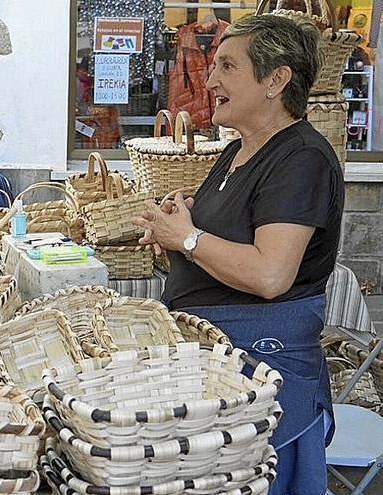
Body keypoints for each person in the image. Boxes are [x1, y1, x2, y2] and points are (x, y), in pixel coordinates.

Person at [133, 15, 344, 495]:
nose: (210, 81)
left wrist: (188, 239)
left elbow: (271, 275)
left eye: (228, 67)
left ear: (276, 80)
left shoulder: (301, 159)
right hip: (220, 373)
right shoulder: (236, 152)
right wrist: (173, 235)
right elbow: (215, 251)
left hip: (260, 375)